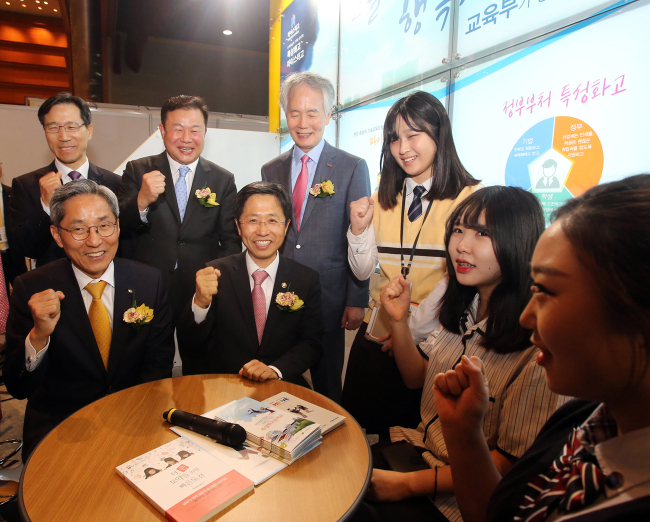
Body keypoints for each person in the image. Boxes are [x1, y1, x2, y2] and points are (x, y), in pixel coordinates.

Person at [433, 175, 650, 522]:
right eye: (458, 230)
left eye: (548, 291)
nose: (527, 317)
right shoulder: (581, 416)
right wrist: (463, 434)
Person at [355, 186, 562, 522]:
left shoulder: (537, 346)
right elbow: (417, 379)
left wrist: (407, 485)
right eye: (458, 230)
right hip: (414, 451)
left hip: (458, 499)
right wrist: (399, 322)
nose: (461, 246)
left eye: (483, 233)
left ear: (519, 240)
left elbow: (512, 464)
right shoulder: (465, 305)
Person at [4, 180, 175, 461]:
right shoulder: (31, 288)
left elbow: (157, 368)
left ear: (118, 227)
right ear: (58, 236)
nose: (94, 241)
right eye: (78, 229)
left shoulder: (149, 281)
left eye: (104, 225)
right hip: (61, 428)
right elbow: (17, 387)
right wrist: (38, 336)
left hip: (134, 418)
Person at [342, 90, 481, 433]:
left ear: (438, 135)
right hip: (374, 339)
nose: (402, 148)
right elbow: (362, 272)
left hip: (432, 345)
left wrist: (408, 331)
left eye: (413, 135)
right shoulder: (382, 198)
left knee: (411, 442)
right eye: (393, 139)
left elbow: (456, 281)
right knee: (359, 438)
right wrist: (358, 232)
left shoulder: (471, 199)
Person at [262, 72, 370, 402]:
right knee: (281, 379)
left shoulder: (352, 167)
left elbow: (359, 236)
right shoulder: (272, 170)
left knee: (328, 387)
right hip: (281, 295)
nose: (303, 122)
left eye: (312, 113)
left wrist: (357, 298)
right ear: (285, 114)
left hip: (330, 298)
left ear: (328, 114)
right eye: (294, 113)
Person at [117, 95, 241, 351]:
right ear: (162, 130)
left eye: (195, 130)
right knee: (148, 360)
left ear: (205, 132)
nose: (187, 138)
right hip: (148, 285)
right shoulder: (137, 170)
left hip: (199, 287)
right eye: (178, 129)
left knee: (200, 361)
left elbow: (230, 239)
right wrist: (141, 201)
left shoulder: (222, 179)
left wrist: (217, 282)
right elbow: (118, 227)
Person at [177, 181, 322, 387]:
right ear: (238, 226)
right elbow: (191, 342)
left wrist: (274, 370)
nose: (262, 231)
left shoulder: (305, 279)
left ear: (287, 225)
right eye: (253, 220)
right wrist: (200, 303)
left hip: (282, 386)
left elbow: (311, 344)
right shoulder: (215, 273)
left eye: (272, 220)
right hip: (224, 387)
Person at [10, 92, 122, 267]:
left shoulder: (116, 183)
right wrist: (46, 206)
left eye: (71, 127)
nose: (63, 137)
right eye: (53, 128)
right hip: (53, 286)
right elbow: (26, 248)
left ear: (89, 130)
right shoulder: (26, 185)